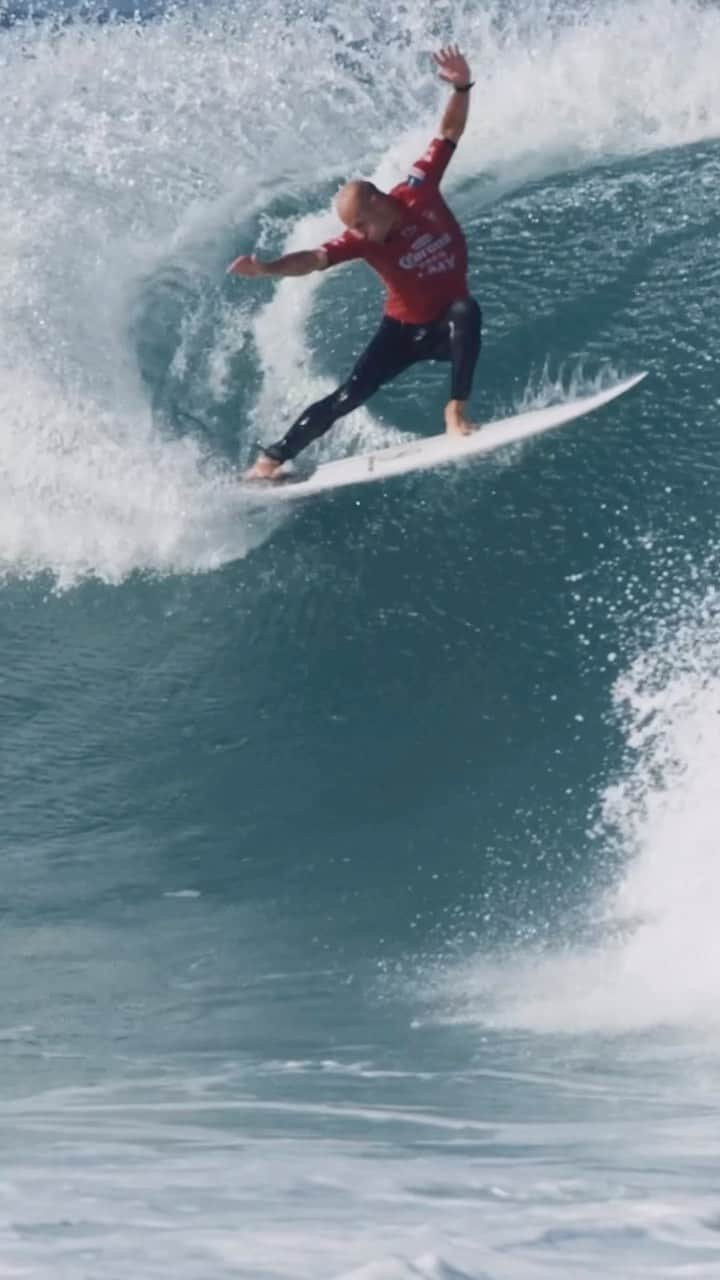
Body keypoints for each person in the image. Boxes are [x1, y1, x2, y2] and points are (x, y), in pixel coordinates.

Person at [227, 44, 481, 480]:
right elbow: (313, 259)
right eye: (354, 229)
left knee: (466, 311)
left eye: (362, 225)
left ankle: (455, 412)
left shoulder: (419, 190)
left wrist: (461, 85)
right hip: (400, 331)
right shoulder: (363, 241)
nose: (358, 236)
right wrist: (268, 268)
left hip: (447, 328)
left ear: (381, 203)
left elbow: (449, 133)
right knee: (349, 395)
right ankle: (271, 459)